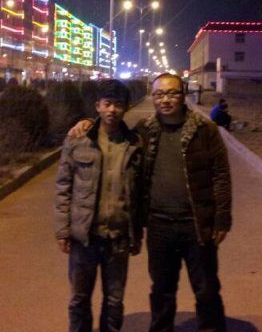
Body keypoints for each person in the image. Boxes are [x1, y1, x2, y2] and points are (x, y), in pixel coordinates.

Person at [70, 73, 232, 332]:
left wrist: (222, 218)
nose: (165, 100)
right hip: (159, 225)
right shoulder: (143, 132)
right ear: (153, 97)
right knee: (162, 290)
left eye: (172, 93)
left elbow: (221, 175)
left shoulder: (205, 130)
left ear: (183, 95)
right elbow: (112, 132)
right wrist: (89, 122)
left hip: (197, 224)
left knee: (206, 288)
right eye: (159, 94)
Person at [55, 79, 143, 332]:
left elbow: (140, 193)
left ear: (126, 107)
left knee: (114, 302)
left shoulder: (135, 143)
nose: (112, 110)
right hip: (85, 238)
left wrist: (136, 233)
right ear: (97, 106)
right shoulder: (77, 139)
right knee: (79, 300)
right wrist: (62, 230)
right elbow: (63, 185)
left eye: (118, 104)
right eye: (107, 104)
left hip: (118, 238)